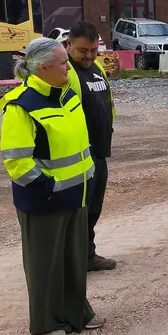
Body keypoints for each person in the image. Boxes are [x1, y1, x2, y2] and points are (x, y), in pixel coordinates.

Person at [0, 37, 105, 335]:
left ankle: (77, 312)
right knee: (45, 265)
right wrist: (46, 187)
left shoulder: (67, 95)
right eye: (63, 62)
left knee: (73, 260)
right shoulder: (21, 105)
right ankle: (46, 322)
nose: (68, 67)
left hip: (76, 194)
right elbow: (17, 161)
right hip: (44, 201)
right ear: (43, 68)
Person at [65, 21, 117, 272]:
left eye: (93, 50)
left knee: (93, 209)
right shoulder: (64, 72)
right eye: (82, 51)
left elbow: (106, 102)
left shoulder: (96, 69)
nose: (88, 56)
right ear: (69, 45)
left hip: (98, 151)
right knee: (78, 211)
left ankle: (87, 255)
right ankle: (73, 261)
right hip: (79, 156)